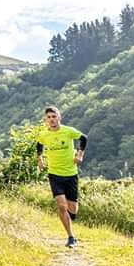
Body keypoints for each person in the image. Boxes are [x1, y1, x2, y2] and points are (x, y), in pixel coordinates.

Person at [36, 105, 87, 248]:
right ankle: (71, 237)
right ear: (46, 120)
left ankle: (71, 218)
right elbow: (39, 145)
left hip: (71, 174)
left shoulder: (68, 131)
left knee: (73, 208)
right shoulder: (44, 134)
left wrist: (80, 155)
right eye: (49, 117)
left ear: (59, 117)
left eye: (54, 116)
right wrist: (40, 159)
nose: (52, 120)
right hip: (54, 174)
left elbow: (84, 138)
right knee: (61, 206)